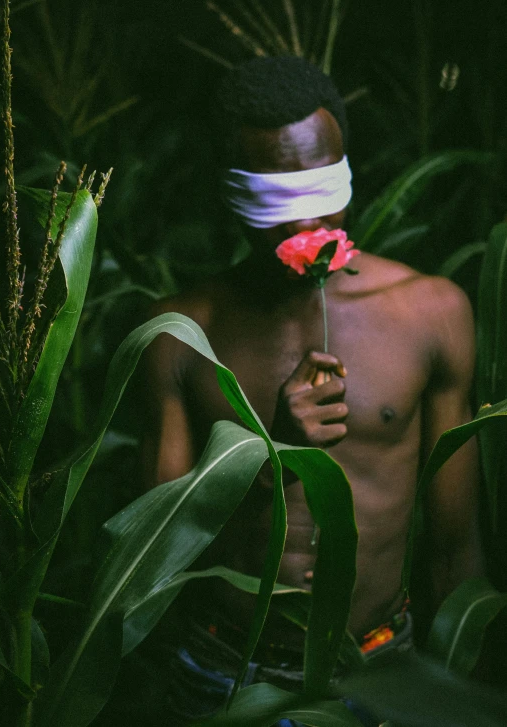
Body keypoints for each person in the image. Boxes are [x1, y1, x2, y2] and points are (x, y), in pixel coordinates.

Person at [141, 56, 483, 725]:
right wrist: (271, 453)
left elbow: (453, 540)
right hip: (225, 672)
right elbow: (154, 547)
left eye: (321, 188)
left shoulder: (432, 314)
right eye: (274, 199)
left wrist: (454, 671)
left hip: (384, 669)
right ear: (229, 190)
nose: (304, 228)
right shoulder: (178, 335)